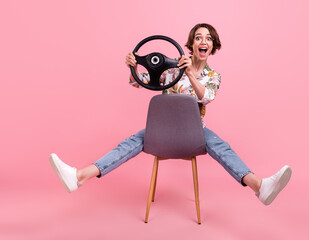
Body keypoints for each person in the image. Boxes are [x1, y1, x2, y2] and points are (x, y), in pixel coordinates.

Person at [49, 23, 292, 206]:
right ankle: (78, 176)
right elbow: (139, 82)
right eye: (198, 37)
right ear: (191, 45)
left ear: (213, 47)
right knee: (128, 144)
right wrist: (133, 66)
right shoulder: (170, 68)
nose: (202, 41)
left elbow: (206, 97)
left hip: (193, 135)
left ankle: (260, 187)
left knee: (221, 146)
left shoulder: (213, 77)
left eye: (208, 38)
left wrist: (188, 74)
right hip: (161, 134)